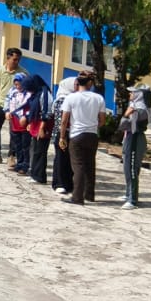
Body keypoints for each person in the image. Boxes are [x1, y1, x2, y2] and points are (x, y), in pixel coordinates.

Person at [58, 71, 107, 205]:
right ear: (90, 83)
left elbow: (64, 120)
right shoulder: (98, 98)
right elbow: (102, 120)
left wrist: (62, 137)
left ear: (77, 83)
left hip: (77, 134)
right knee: (90, 165)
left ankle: (77, 197)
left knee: (78, 166)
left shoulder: (71, 98)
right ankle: (89, 194)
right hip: (92, 135)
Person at [51, 70, 87, 196]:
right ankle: (59, 183)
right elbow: (62, 120)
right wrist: (62, 136)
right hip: (63, 133)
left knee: (70, 160)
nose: (78, 87)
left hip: (73, 133)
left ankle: (68, 184)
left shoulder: (75, 99)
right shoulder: (62, 100)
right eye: (76, 85)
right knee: (61, 159)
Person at [118, 83, 150, 210]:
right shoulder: (134, 107)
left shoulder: (139, 110)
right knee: (127, 167)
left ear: (139, 94)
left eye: (132, 92)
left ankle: (133, 199)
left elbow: (125, 125)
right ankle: (128, 193)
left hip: (135, 139)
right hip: (130, 138)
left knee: (132, 169)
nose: (130, 94)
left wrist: (125, 115)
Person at [23, 74, 53, 185]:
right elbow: (33, 110)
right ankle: (34, 174)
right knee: (35, 150)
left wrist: (42, 128)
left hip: (43, 126)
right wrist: (30, 123)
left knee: (40, 151)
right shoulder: (36, 94)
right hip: (35, 124)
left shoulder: (45, 95)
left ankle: (40, 176)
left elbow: (47, 112)